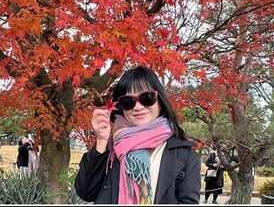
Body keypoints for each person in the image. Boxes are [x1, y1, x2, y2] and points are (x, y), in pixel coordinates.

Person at [74, 66, 200, 204]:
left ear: (160, 101)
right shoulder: (113, 146)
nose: (138, 107)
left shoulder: (184, 155)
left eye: (147, 97)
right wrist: (101, 141)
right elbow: (86, 192)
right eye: (128, 101)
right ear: (121, 107)